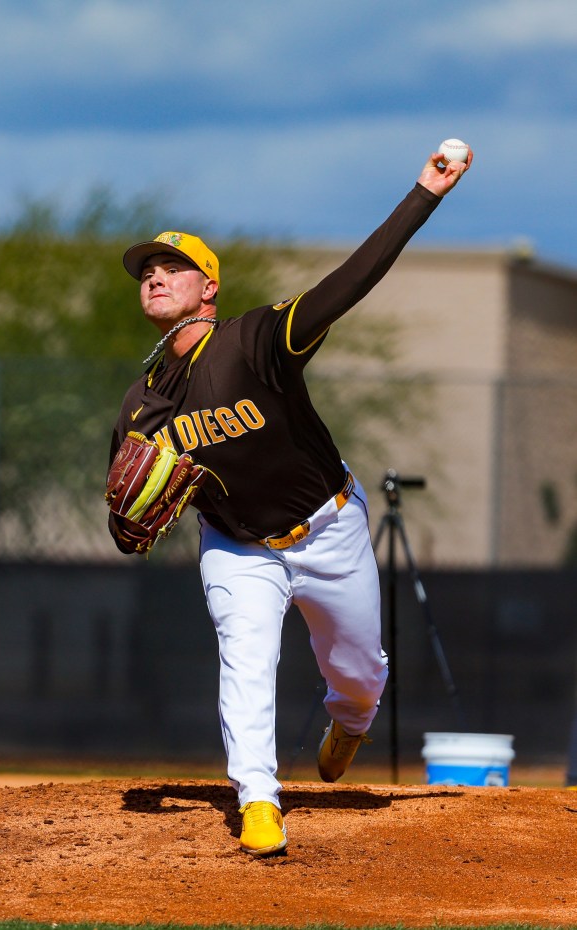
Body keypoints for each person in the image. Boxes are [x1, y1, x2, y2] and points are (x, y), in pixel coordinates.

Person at [108, 148, 473, 856]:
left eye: (171, 266)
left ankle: (352, 720)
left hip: (329, 527)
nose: (154, 276)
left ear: (208, 287)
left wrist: (424, 193)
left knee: (361, 672)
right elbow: (126, 526)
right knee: (245, 657)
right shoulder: (140, 406)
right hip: (239, 548)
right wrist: (129, 527)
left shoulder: (253, 343)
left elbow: (352, 280)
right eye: (145, 272)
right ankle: (258, 798)